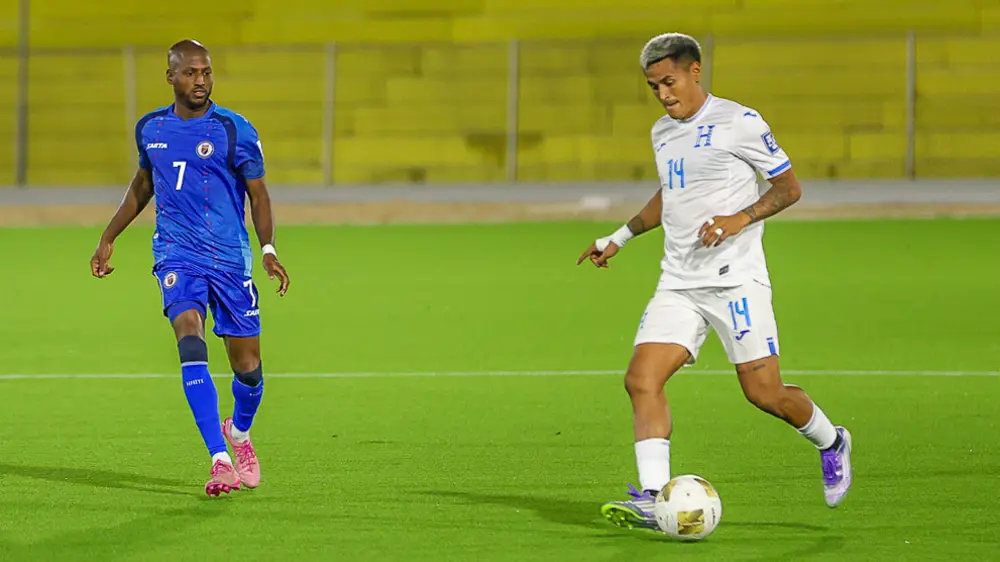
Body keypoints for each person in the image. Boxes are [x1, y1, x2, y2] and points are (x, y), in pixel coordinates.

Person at [577, 32, 852, 530]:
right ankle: (653, 495)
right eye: (653, 87)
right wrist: (620, 235)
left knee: (765, 394)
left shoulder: (739, 122)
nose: (663, 95)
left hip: (736, 282)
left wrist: (739, 218)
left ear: (694, 70)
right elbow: (672, 192)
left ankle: (832, 441)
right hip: (679, 281)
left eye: (669, 82)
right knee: (641, 380)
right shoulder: (663, 132)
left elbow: (788, 188)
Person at [90, 39, 290, 497]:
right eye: (190, 72)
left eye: (206, 72)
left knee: (248, 369)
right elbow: (143, 185)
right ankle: (220, 459)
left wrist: (268, 249)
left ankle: (238, 432)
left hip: (230, 259)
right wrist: (109, 236)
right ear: (171, 77)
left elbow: (259, 195)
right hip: (177, 254)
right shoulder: (151, 128)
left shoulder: (234, 129)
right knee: (189, 336)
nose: (200, 80)